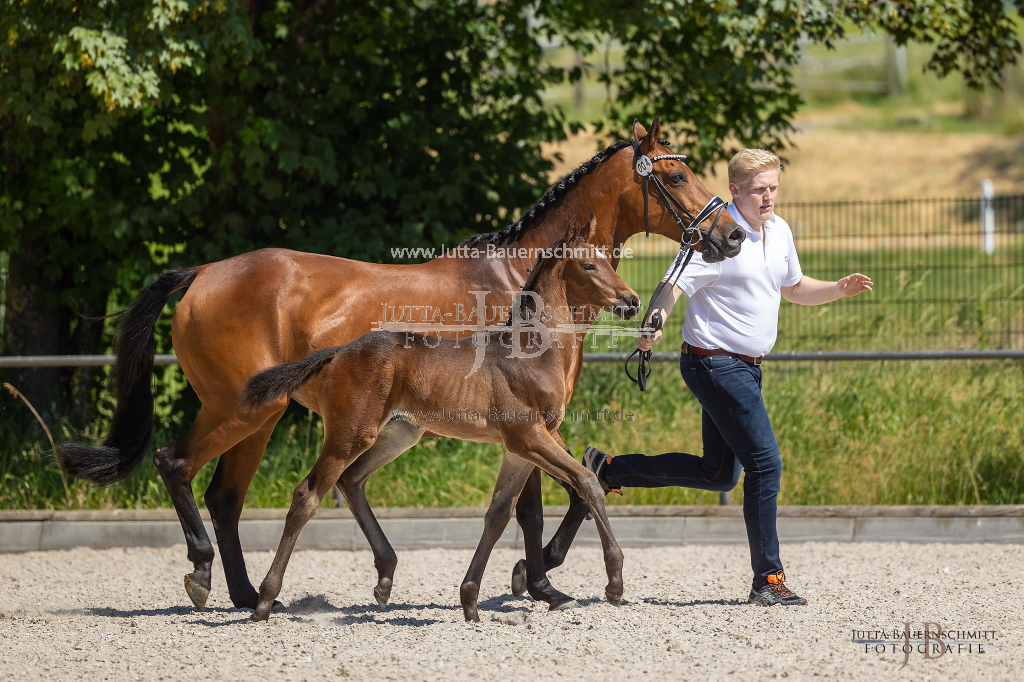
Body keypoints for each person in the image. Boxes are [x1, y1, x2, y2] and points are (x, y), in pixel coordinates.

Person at [583, 148, 872, 606]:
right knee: (765, 464)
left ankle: (609, 470)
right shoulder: (712, 236)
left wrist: (838, 288)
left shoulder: (778, 232)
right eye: (760, 190)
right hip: (713, 363)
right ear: (736, 190)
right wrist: (654, 323)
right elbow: (670, 285)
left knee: (719, 475)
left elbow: (793, 287)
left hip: (748, 370)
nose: (769, 197)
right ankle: (768, 580)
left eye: (774, 187)